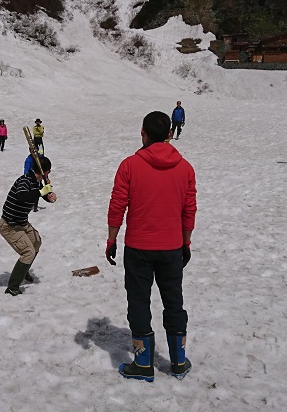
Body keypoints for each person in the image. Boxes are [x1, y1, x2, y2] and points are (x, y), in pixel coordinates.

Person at [106, 111, 197, 382]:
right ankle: (178, 361)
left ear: (142, 132)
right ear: (169, 134)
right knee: (174, 302)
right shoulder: (185, 168)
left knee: (138, 301)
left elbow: (117, 206)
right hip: (171, 247)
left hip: (138, 248)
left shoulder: (129, 165)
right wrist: (186, 241)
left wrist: (111, 239)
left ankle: (143, 363)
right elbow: (189, 210)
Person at [0, 155, 56, 296]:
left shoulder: (36, 182)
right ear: (45, 171)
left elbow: (39, 195)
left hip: (22, 223)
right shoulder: (24, 181)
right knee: (28, 252)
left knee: (36, 242)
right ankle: (12, 287)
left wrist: (48, 197)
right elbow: (22, 196)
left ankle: (24, 271)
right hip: (9, 225)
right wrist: (41, 192)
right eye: (49, 171)